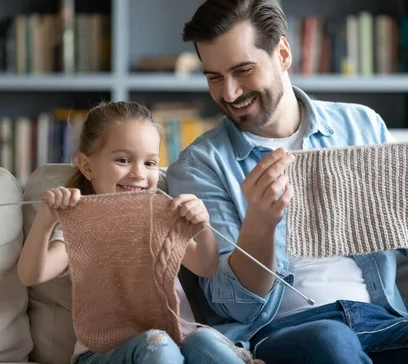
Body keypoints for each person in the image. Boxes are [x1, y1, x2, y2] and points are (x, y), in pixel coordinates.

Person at [166, 0, 408, 363]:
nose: (229, 92)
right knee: (332, 340)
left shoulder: (360, 124)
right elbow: (236, 308)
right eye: (214, 77)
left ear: (283, 54)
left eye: (243, 70)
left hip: (384, 322)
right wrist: (259, 224)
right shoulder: (200, 166)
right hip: (282, 333)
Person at [17, 101, 255, 364]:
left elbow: (206, 266)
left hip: (179, 342)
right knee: (158, 344)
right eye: (123, 160)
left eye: (150, 163)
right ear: (87, 166)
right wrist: (45, 222)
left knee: (206, 341)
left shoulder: (160, 216)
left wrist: (204, 226)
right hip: (104, 353)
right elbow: (32, 274)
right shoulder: (81, 224)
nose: (139, 173)